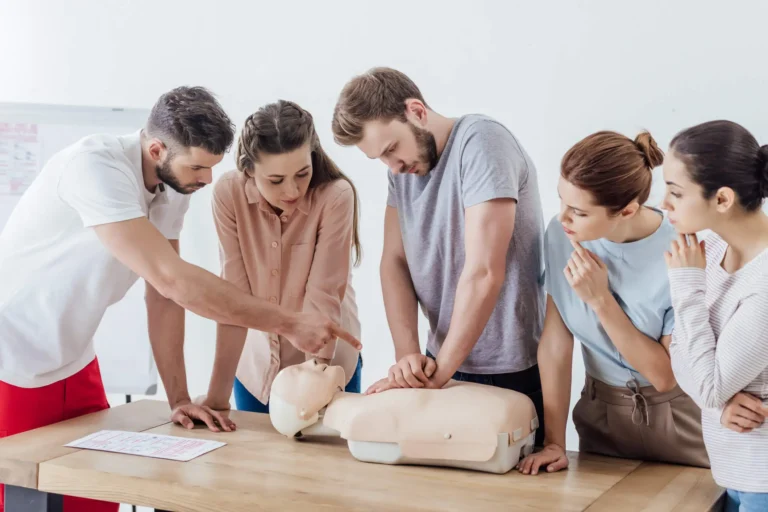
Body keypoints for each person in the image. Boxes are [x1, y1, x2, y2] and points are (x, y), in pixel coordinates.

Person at [0, 87, 360, 512]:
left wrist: (180, 400)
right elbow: (173, 280)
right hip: (12, 356)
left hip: (72, 356)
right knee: (21, 490)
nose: (207, 180)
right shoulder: (94, 169)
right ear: (156, 149)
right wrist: (289, 323)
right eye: (198, 167)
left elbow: (163, 299)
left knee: (99, 495)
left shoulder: (172, 187)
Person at [332, 67, 546, 444]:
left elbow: (484, 272)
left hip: (508, 369)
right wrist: (408, 359)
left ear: (416, 111)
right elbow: (393, 262)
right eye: (380, 159)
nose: (393, 165)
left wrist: (435, 376)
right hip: (440, 364)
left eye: (391, 149)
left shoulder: (483, 142)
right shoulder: (401, 172)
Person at [517, 130, 708, 476]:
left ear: (627, 209)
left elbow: (664, 375)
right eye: (561, 201)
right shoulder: (561, 236)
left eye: (578, 212)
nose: (563, 218)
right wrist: (554, 442)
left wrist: (600, 299)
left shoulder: (684, 250)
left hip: (682, 420)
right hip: (600, 417)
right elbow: (556, 343)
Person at [200, 100, 363, 414]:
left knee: (325, 462)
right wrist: (216, 399)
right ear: (248, 170)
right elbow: (233, 298)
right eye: (275, 181)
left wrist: (315, 382)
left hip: (329, 363)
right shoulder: (228, 194)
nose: (292, 190)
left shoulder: (335, 196)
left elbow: (323, 295)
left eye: (302, 173)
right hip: (255, 368)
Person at [662, 120, 768, 510]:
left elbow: (707, 384)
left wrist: (686, 286)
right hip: (730, 468)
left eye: (675, 192)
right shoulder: (707, 247)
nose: (664, 204)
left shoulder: (763, 283)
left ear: (722, 199)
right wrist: (719, 403)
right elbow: (678, 352)